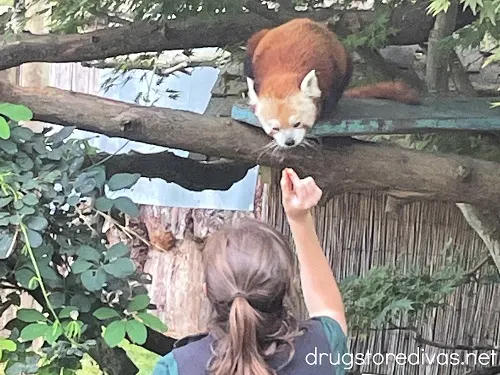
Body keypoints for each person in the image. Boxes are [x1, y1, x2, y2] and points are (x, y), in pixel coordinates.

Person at [152, 168, 348, 374]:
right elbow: (329, 310)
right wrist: (300, 219)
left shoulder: (176, 367)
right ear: (285, 288)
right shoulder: (323, 348)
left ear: (206, 291)